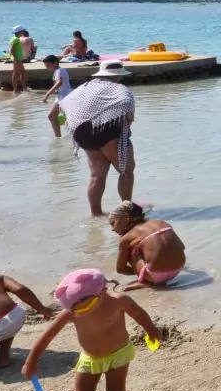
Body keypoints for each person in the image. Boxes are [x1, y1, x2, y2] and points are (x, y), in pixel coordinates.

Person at [24, 269, 160, 391]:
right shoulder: (71, 312)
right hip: (89, 358)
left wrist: (151, 330)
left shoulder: (118, 301)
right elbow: (47, 336)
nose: (83, 311)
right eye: (77, 307)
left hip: (118, 353)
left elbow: (138, 313)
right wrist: (30, 362)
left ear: (102, 291)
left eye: (87, 305)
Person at [65, 60, 136, 215]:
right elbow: (127, 108)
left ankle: (96, 214)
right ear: (119, 75)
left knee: (96, 176)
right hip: (107, 134)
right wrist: (124, 132)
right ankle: (127, 212)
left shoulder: (84, 87)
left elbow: (66, 103)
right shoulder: (120, 89)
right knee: (126, 172)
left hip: (82, 134)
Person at [110, 202, 186, 289]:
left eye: (113, 223)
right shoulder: (162, 222)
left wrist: (140, 272)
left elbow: (120, 269)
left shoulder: (127, 237)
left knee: (131, 248)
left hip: (155, 275)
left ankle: (147, 280)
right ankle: (154, 274)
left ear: (126, 217)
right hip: (179, 267)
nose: (113, 229)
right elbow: (182, 247)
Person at [40, 54, 72, 137]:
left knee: (53, 116)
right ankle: (59, 137)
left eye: (48, 65)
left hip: (64, 97)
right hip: (61, 96)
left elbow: (59, 82)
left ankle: (62, 137)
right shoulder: (59, 71)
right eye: (45, 65)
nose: (47, 67)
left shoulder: (59, 71)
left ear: (55, 63)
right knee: (53, 116)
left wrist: (47, 94)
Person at [7, 26, 36, 93]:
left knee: (17, 73)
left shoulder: (13, 38)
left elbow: (10, 50)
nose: (23, 32)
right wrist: (16, 59)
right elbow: (12, 50)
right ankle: (21, 89)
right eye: (23, 31)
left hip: (16, 58)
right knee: (22, 73)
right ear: (20, 32)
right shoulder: (16, 39)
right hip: (17, 59)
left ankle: (18, 89)